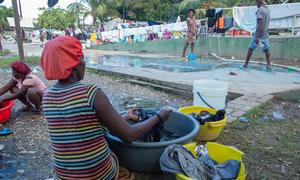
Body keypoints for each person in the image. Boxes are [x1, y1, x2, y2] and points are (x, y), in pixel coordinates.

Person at [40, 36, 172, 179]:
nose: (84, 63)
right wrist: (158, 116)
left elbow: (82, 124)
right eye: (82, 58)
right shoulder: (91, 93)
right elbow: (129, 135)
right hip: (95, 175)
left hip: (63, 175)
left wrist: (125, 117)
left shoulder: (47, 96)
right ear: (74, 63)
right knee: (114, 149)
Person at [242, 0, 271, 70]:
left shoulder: (260, 10)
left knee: (251, 48)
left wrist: (257, 36)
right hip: (265, 33)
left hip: (259, 33)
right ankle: (269, 65)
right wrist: (266, 30)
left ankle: (245, 64)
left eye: (256, 3)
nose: (256, 4)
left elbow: (260, 23)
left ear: (259, 2)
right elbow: (267, 21)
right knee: (266, 48)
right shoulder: (267, 9)